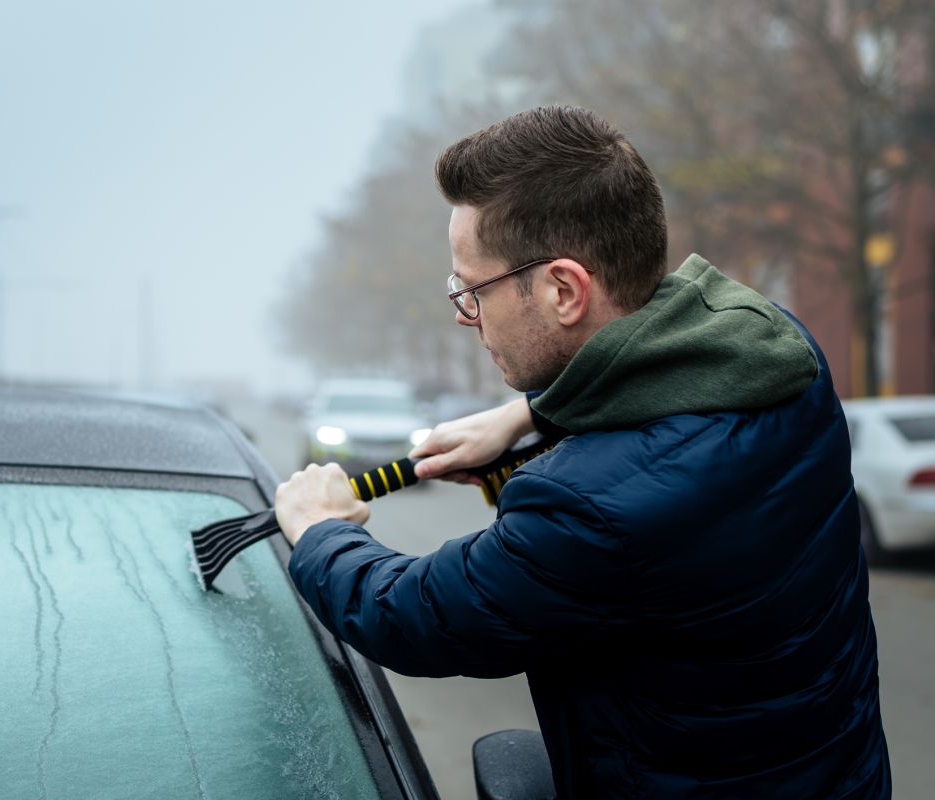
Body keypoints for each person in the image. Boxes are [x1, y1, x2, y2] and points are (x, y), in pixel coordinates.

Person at [274, 105, 891, 798]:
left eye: (472, 290)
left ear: (563, 289)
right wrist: (530, 416)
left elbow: (414, 616)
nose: (461, 313)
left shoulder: (588, 509)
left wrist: (320, 530)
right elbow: (657, 395)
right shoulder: (781, 353)